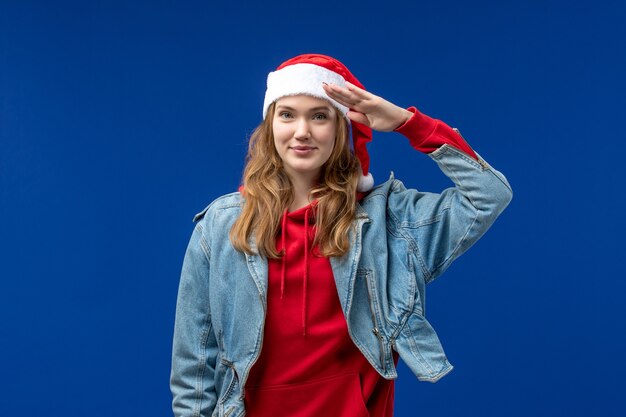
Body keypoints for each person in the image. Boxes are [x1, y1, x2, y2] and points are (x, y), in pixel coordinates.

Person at [170, 53, 512, 417]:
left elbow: (490, 194)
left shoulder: (389, 220)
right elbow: (194, 362)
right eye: (287, 114)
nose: (302, 131)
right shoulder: (221, 226)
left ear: (340, 126)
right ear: (270, 125)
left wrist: (406, 123)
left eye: (319, 116)